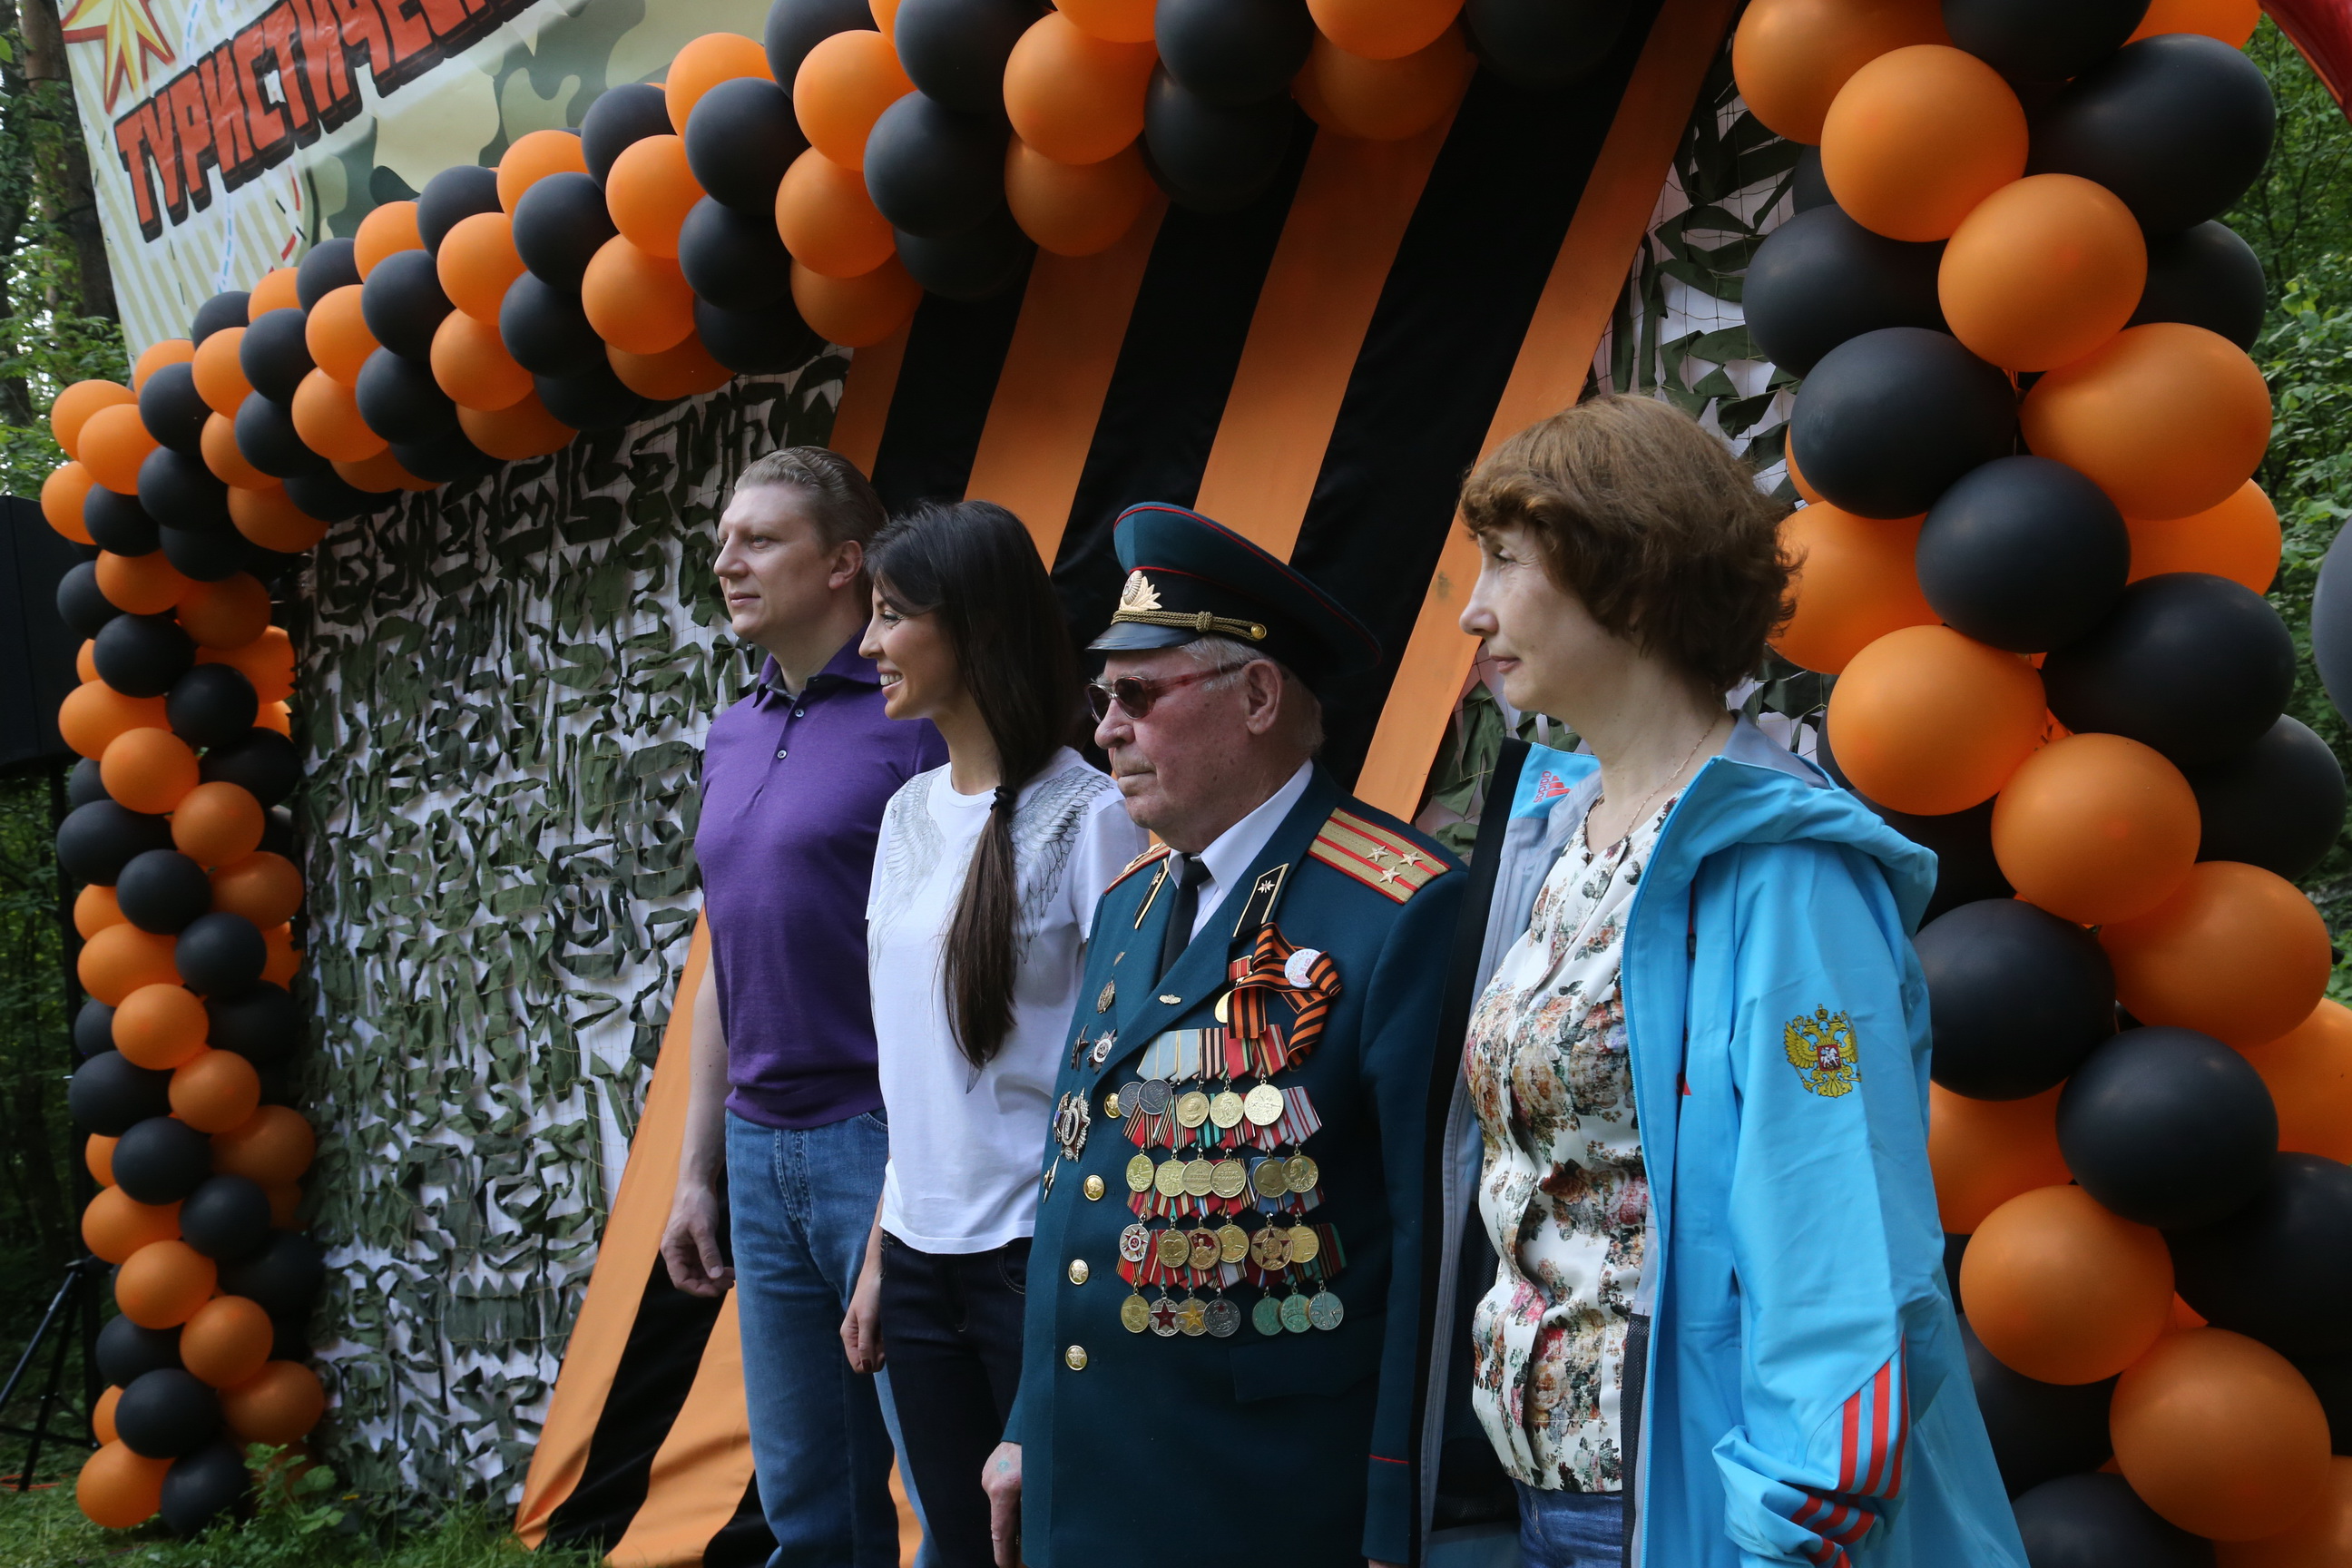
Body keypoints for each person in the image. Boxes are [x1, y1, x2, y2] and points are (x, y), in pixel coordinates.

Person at [1435, 396, 2026, 1568]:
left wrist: (1792, 1527)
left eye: (1505, 561)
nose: (1473, 609)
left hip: (1702, 1508)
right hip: (1551, 1500)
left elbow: (1844, 1238)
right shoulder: (1564, 834)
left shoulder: (1786, 872)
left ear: (1631, 578)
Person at [984, 503, 1466, 1568]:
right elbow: (1079, 1180)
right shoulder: (1132, 901)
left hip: (1260, 1497)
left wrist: (1396, 1508)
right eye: (1103, 697)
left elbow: (1426, 1246)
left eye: (1137, 695)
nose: (1105, 729)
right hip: (1091, 1475)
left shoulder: (1398, 908)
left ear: (1255, 696)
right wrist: (1029, 1423)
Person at [838, 501, 1149, 1568]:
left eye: (892, 615)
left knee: (1058, 1543)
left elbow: (1122, 1074)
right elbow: (913, 1071)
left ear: (971, 627)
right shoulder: (906, 815)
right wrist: (882, 1251)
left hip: (1038, 1262)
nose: (868, 643)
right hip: (917, 1260)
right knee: (964, 1549)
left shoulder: (1095, 816)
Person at [660, 447, 946, 1568]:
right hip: (757, 1148)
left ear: (844, 563)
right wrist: (697, 1172)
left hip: (890, 1147)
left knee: (951, 1490)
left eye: (760, 540)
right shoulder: (731, 730)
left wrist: (910, 1174)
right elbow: (725, 961)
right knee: (810, 1511)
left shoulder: (920, 720)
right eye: (724, 540)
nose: (727, 562)